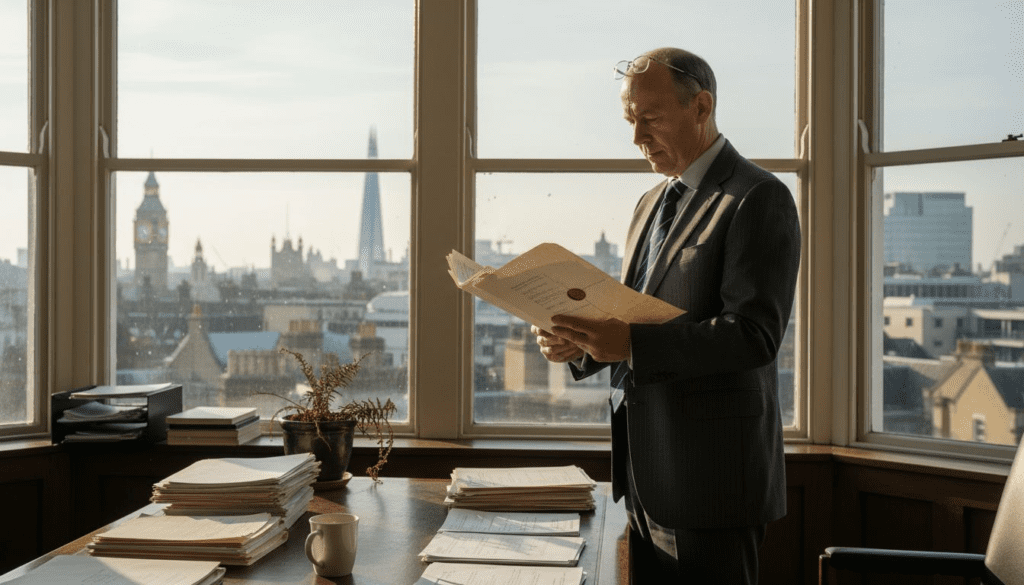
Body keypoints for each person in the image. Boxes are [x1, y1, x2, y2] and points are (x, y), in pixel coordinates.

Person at [531, 47, 800, 583]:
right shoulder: (649, 202)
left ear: (701, 107)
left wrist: (629, 344)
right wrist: (578, 342)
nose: (637, 137)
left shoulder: (758, 197)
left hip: (714, 485)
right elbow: (632, 314)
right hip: (643, 478)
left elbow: (754, 336)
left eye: (649, 118)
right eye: (630, 120)